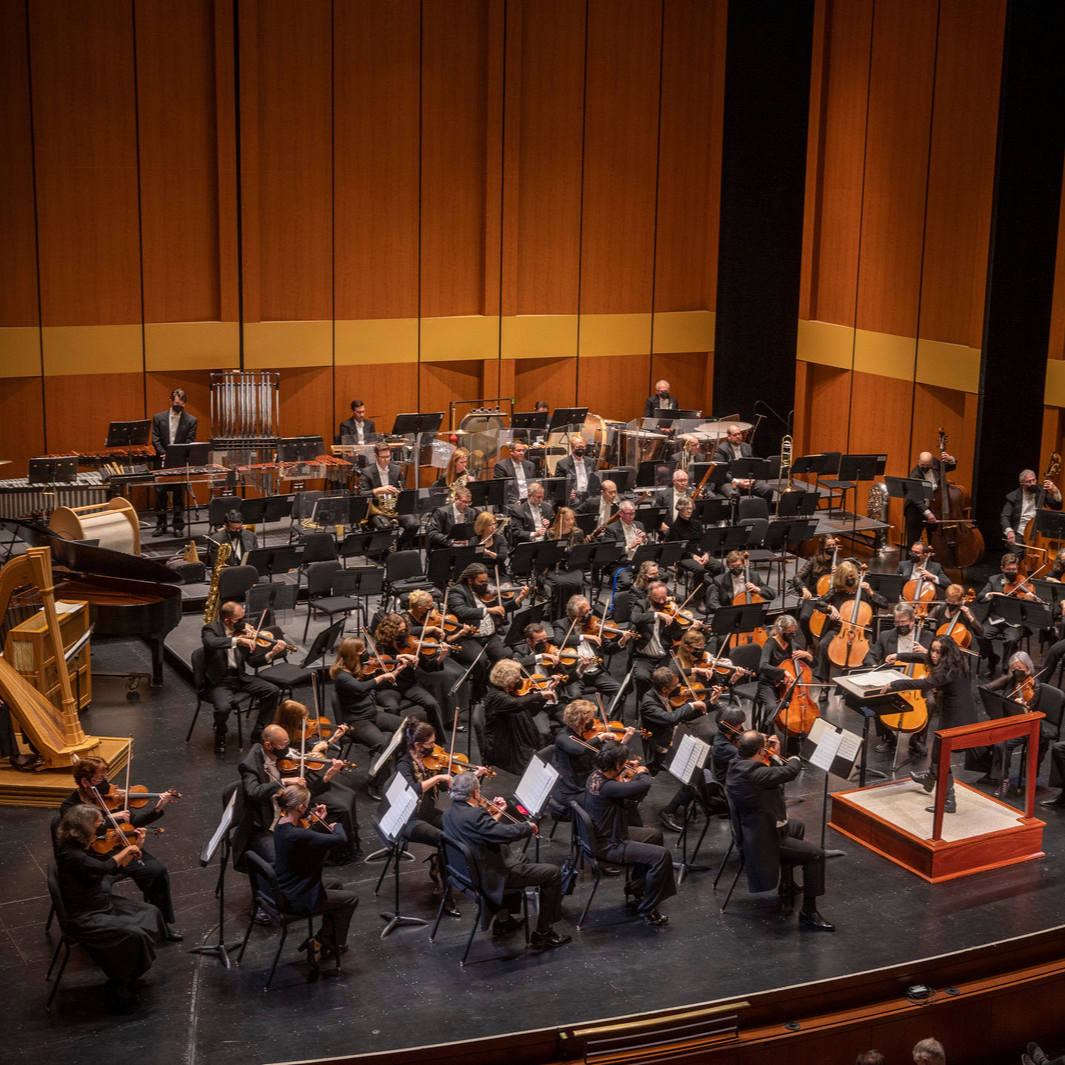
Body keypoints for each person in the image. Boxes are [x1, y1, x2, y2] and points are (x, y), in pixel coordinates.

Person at [54, 804, 165, 1012]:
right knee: (134, 934)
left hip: (100, 903)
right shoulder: (71, 854)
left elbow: (109, 871)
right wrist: (127, 849)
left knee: (151, 912)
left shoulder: (84, 846)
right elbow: (105, 867)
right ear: (85, 828)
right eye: (98, 823)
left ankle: (129, 972)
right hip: (85, 915)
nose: (103, 826)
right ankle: (118, 982)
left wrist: (135, 846)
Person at [442, 770, 571, 948]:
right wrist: (527, 827)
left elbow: (485, 833)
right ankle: (543, 933)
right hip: (490, 876)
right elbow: (503, 834)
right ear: (475, 793)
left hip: (466, 873)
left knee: (521, 857)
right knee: (553, 873)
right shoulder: (475, 815)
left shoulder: (449, 814)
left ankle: (503, 920)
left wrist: (497, 814)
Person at [60, 756, 181, 941]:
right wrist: (110, 819)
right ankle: (111, 933)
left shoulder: (111, 798)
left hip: (120, 847)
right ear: (84, 782)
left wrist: (157, 809)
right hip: (95, 858)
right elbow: (84, 833)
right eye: (99, 780)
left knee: (157, 872)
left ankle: (162, 924)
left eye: (106, 778)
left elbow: (133, 823)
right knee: (102, 889)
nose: (105, 785)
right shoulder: (71, 807)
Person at [725, 730, 834, 931]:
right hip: (764, 838)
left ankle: (787, 884)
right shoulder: (755, 773)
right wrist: (794, 757)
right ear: (760, 751)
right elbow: (790, 772)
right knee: (816, 855)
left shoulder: (737, 764)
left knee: (797, 826)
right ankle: (809, 912)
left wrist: (774, 755)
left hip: (757, 826)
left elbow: (773, 777)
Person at [582, 741, 676, 925]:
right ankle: (648, 907)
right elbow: (643, 785)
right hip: (610, 844)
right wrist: (642, 771)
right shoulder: (609, 787)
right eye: (623, 763)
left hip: (605, 833)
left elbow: (621, 786)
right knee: (661, 856)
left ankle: (636, 888)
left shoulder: (595, 776)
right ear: (617, 765)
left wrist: (624, 771)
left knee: (654, 836)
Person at [883, 635, 978, 814]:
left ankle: (949, 800)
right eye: (932, 650)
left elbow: (925, 683)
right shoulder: (955, 659)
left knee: (941, 757)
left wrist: (897, 684)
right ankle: (929, 779)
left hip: (958, 717)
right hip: (952, 711)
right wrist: (899, 656)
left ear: (946, 653)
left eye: (938, 652)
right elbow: (924, 657)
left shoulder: (950, 671)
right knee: (938, 753)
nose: (933, 655)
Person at [231, 724, 340, 873]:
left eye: (288, 742)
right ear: (268, 745)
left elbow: (300, 792)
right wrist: (283, 781)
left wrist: (327, 776)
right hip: (263, 828)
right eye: (283, 745)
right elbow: (254, 792)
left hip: (284, 820)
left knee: (314, 849)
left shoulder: (284, 761)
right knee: (283, 861)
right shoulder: (250, 765)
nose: (287, 749)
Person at [395, 716, 477, 914]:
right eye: (430, 743)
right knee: (444, 840)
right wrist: (439, 777)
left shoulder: (429, 761)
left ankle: (439, 863)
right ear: (417, 745)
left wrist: (470, 776)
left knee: (459, 829)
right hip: (410, 818)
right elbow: (413, 789)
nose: (434, 747)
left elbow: (440, 787)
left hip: (429, 813)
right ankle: (446, 894)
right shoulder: (404, 764)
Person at [272, 783, 359, 963]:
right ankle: (320, 941)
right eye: (307, 805)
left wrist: (319, 821)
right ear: (300, 807)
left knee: (336, 883)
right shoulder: (297, 835)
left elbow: (307, 837)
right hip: (297, 897)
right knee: (351, 899)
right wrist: (336, 824)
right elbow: (340, 838)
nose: (309, 808)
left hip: (285, 886)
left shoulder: (281, 825)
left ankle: (331, 940)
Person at [270, 699, 362, 863]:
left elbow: (309, 757)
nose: (306, 722)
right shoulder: (280, 740)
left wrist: (332, 739)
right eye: (302, 719)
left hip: (306, 774)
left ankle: (351, 840)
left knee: (349, 794)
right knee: (342, 807)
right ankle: (336, 851)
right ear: (292, 720)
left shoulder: (297, 733)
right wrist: (318, 758)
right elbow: (301, 762)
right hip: (297, 785)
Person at [329, 635, 409, 799]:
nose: (365, 652)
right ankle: (376, 783)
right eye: (361, 650)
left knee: (407, 727)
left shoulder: (358, 668)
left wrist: (396, 669)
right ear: (352, 654)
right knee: (382, 745)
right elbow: (361, 688)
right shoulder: (342, 676)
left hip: (371, 714)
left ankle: (401, 768)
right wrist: (382, 676)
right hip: (356, 721)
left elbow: (375, 681)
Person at [201, 600, 284, 752]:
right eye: (238, 620)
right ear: (227, 620)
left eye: (243, 618)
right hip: (219, 681)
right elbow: (211, 642)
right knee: (223, 708)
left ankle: (259, 730)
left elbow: (253, 662)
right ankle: (221, 732)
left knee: (272, 691)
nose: (243, 623)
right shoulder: (211, 629)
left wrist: (272, 653)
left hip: (239, 677)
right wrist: (238, 641)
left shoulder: (244, 632)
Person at [549, 699, 634, 821]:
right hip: (569, 791)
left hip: (584, 781)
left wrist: (624, 740)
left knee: (624, 798)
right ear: (581, 720)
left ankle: (622, 829)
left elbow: (607, 756)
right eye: (590, 718)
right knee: (615, 801)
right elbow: (578, 750)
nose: (593, 721)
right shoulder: (563, 738)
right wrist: (602, 737)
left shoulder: (585, 735)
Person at [862, 603, 930, 754]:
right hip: (892, 679)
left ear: (912, 620)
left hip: (918, 680)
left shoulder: (927, 636)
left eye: (903, 622)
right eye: (897, 623)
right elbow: (870, 655)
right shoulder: (885, 635)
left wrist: (927, 653)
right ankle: (888, 737)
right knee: (876, 698)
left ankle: (917, 738)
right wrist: (873, 666)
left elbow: (939, 660)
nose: (900, 626)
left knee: (931, 701)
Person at [372, 613, 449, 738]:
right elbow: (380, 659)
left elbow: (428, 666)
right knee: (392, 708)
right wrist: (401, 656)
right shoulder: (381, 646)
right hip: (387, 688)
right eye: (399, 631)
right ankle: (398, 742)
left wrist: (441, 656)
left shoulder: (411, 644)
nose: (403, 634)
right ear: (390, 632)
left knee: (432, 704)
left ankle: (437, 740)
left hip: (409, 685)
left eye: (404, 630)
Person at [482, 658, 557, 773]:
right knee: (543, 765)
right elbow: (516, 704)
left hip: (524, 740)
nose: (520, 680)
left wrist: (547, 692)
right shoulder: (495, 697)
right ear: (508, 680)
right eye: (517, 678)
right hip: (509, 748)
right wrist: (540, 695)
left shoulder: (512, 694)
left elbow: (532, 712)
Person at [552, 595, 628, 704]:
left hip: (596, 672)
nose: (589, 614)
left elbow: (607, 648)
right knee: (574, 698)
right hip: (575, 674)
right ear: (575, 616)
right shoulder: (561, 624)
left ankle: (609, 715)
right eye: (585, 612)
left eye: (589, 610)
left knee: (620, 692)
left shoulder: (594, 624)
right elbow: (559, 640)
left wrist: (621, 642)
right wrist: (583, 637)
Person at [629, 580, 687, 708]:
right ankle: (647, 707)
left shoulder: (670, 609)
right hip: (643, 656)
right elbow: (635, 618)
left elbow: (677, 635)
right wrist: (657, 614)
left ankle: (671, 706)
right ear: (649, 597)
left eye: (664, 598)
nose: (662, 602)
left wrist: (690, 628)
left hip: (665, 656)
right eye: (658, 599)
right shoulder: (641, 605)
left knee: (675, 676)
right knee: (642, 677)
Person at [977, 553, 1035, 676]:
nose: (1012, 572)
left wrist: (1029, 600)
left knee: (1011, 640)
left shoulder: (1023, 582)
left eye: (1014, 569)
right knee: (981, 635)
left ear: (1017, 568)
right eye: (1008, 569)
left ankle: (1006, 670)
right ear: (1002, 568)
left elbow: (1030, 608)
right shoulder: (993, 580)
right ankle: (992, 659)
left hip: (1014, 621)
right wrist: (991, 594)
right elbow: (980, 598)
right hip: (995, 619)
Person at [151, 387, 197, 536]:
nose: (179, 406)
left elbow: (189, 441)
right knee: (160, 494)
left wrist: (174, 455)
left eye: (182, 404)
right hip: (161, 459)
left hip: (179, 460)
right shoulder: (158, 417)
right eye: (177, 403)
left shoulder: (191, 420)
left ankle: (178, 526)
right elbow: (155, 439)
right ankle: (161, 525)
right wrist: (164, 453)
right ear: (171, 401)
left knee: (179, 494)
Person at [360, 442, 418, 549]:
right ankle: (384, 551)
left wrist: (396, 491)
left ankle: (399, 547)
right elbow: (362, 494)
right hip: (377, 509)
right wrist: (379, 490)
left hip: (395, 508)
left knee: (414, 524)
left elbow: (403, 490)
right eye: (383, 457)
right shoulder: (367, 472)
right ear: (376, 456)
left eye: (388, 456)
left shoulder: (396, 469)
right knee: (385, 527)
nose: (386, 460)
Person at [789, 534, 838, 645]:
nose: (831, 548)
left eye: (833, 545)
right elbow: (797, 577)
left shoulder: (838, 563)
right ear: (822, 547)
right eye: (829, 546)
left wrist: (840, 573)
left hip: (831, 599)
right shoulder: (813, 561)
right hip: (815, 597)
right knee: (805, 617)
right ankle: (809, 642)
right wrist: (804, 589)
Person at [1002, 467, 1062, 556]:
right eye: (1028, 482)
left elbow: (1057, 506)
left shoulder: (1041, 490)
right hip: (1020, 532)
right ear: (1022, 484)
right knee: (1016, 557)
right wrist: (1009, 531)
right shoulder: (1013, 496)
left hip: (1038, 534)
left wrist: (1055, 491)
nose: (1033, 483)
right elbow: (1005, 516)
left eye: (1034, 480)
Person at [904, 448, 955, 547]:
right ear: (918, 462)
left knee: (934, 539)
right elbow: (916, 499)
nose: (925, 467)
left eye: (927, 465)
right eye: (922, 465)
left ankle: (934, 556)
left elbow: (950, 467)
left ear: (931, 462)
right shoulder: (914, 475)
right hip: (916, 511)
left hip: (934, 508)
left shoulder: (935, 462)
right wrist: (928, 513)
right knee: (913, 541)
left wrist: (950, 459)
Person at [712, 424, 772, 502]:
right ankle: (736, 511)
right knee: (734, 494)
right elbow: (720, 471)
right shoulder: (721, 449)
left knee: (768, 489)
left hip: (747, 479)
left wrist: (752, 478)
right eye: (735, 435)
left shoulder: (747, 447)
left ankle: (764, 510)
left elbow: (753, 465)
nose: (738, 436)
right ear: (729, 436)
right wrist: (738, 482)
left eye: (739, 434)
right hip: (729, 481)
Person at [426, 485, 478, 549]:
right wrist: (451, 541)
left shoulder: (471, 512)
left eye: (469, 502)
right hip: (445, 547)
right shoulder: (442, 512)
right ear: (456, 499)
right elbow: (433, 533)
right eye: (464, 502)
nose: (467, 505)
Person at [555, 436, 600, 504]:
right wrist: (568, 493)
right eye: (578, 447)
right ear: (572, 448)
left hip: (589, 496)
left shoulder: (591, 462)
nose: (580, 449)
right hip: (573, 498)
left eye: (583, 447)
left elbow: (594, 482)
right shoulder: (562, 464)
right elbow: (559, 486)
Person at [493, 441, 535, 505]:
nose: (522, 453)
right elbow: (501, 489)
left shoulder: (530, 465)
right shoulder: (502, 466)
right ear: (511, 452)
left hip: (529, 500)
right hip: (512, 502)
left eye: (523, 450)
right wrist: (516, 502)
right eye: (518, 451)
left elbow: (534, 484)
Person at [653, 468, 691, 532]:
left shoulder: (693, 494)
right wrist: (661, 524)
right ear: (674, 481)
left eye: (685, 480)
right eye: (680, 481)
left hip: (688, 530)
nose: (683, 483)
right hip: (669, 531)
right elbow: (655, 514)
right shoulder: (663, 495)